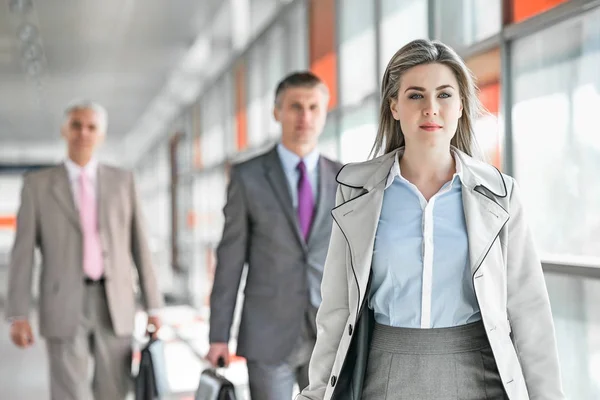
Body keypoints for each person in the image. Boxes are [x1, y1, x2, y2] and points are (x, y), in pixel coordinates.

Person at [297, 39, 564, 400]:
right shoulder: (357, 191)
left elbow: (529, 311)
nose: (431, 109)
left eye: (444, 95)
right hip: (385, 376)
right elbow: (336, 309)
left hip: (478, 376)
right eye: (415, 96)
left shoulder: (500, 194)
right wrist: (316, 393)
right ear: (394, 105)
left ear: (460, 105)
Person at [6, 100, 164, 400]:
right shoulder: (37, 185)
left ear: (101, 135)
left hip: (115, 301)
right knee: (69, 392)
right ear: (64, 131)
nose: (83, 133)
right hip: (62, 302)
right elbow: (22, 253)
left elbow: (140, 246)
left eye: (91, 127)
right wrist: (18, 313)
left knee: (114, 390)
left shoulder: (122, 181)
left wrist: (154, 305)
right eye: (76, 125)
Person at [206, 71, 343, 400]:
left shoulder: (346, 178)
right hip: (267, 333)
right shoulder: (247, 176)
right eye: (295, 106)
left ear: (325, 113)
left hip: (329, 331)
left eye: (314, 107)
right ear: (276, 112)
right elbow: (230, 260)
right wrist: (218, 336)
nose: (305, 116)